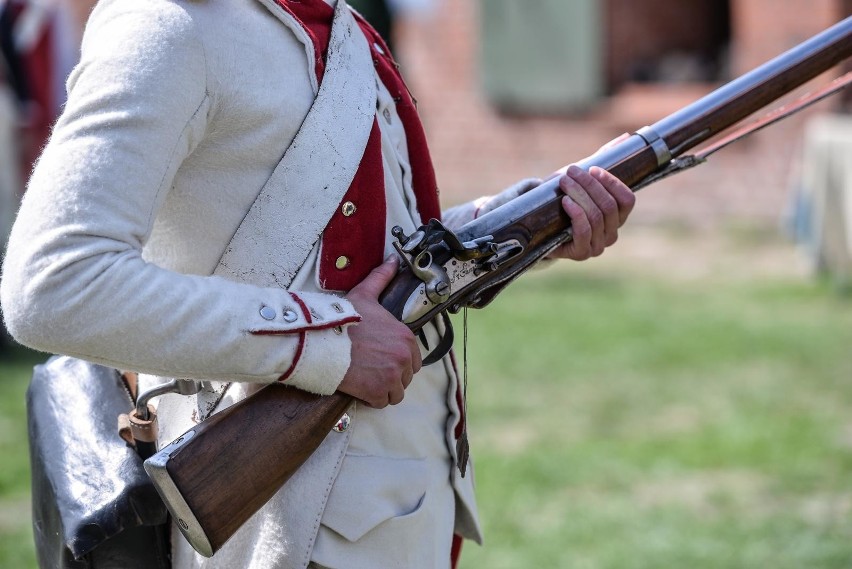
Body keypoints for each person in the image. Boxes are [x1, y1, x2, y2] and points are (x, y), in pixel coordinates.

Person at [0, 1, 635, 568]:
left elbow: (380, 252)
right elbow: (53, 284)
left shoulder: (337, 24)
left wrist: (534, 219)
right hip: (293, 529)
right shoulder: (168, 26)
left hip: (396, 505)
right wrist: (327, 346)